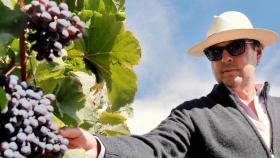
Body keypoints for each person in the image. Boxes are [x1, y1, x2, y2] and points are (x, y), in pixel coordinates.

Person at [59, 11, 280, 158]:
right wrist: (99, 147)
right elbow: (155, 148)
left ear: (258, 52)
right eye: (214, 52)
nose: (225, 58)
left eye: (236, 47)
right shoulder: (193, 115)